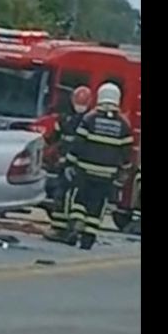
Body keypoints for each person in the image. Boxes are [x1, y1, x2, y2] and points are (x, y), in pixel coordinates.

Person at [61, 82, 134, 250]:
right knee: (97, 205)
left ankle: (77, 221)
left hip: (84, 169)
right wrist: (125, 170)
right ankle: (88, 238)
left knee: (79, 198)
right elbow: (126, 152)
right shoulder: (124, 125)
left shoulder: (89, 119)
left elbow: (78, 144)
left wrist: (69, 163)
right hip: (107, 175)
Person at [45, 86, 93, 241]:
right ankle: (72, 227)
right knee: (76, 198)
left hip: (68, 163)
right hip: (79, 165)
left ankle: (61, 230)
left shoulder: (67, 119)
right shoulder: (89, 120)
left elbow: (54, 138)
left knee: (62, 196)